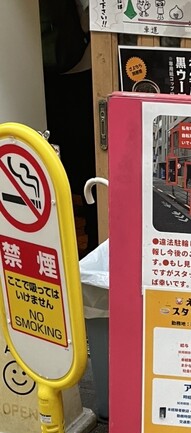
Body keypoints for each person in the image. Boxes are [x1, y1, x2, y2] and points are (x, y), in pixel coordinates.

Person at [40, 0, 98, 256]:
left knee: (49, 155)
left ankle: (57, 243)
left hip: (38, 71)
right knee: (87, 159)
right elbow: (89, 20)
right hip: (81, 71)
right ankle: (93, 238)